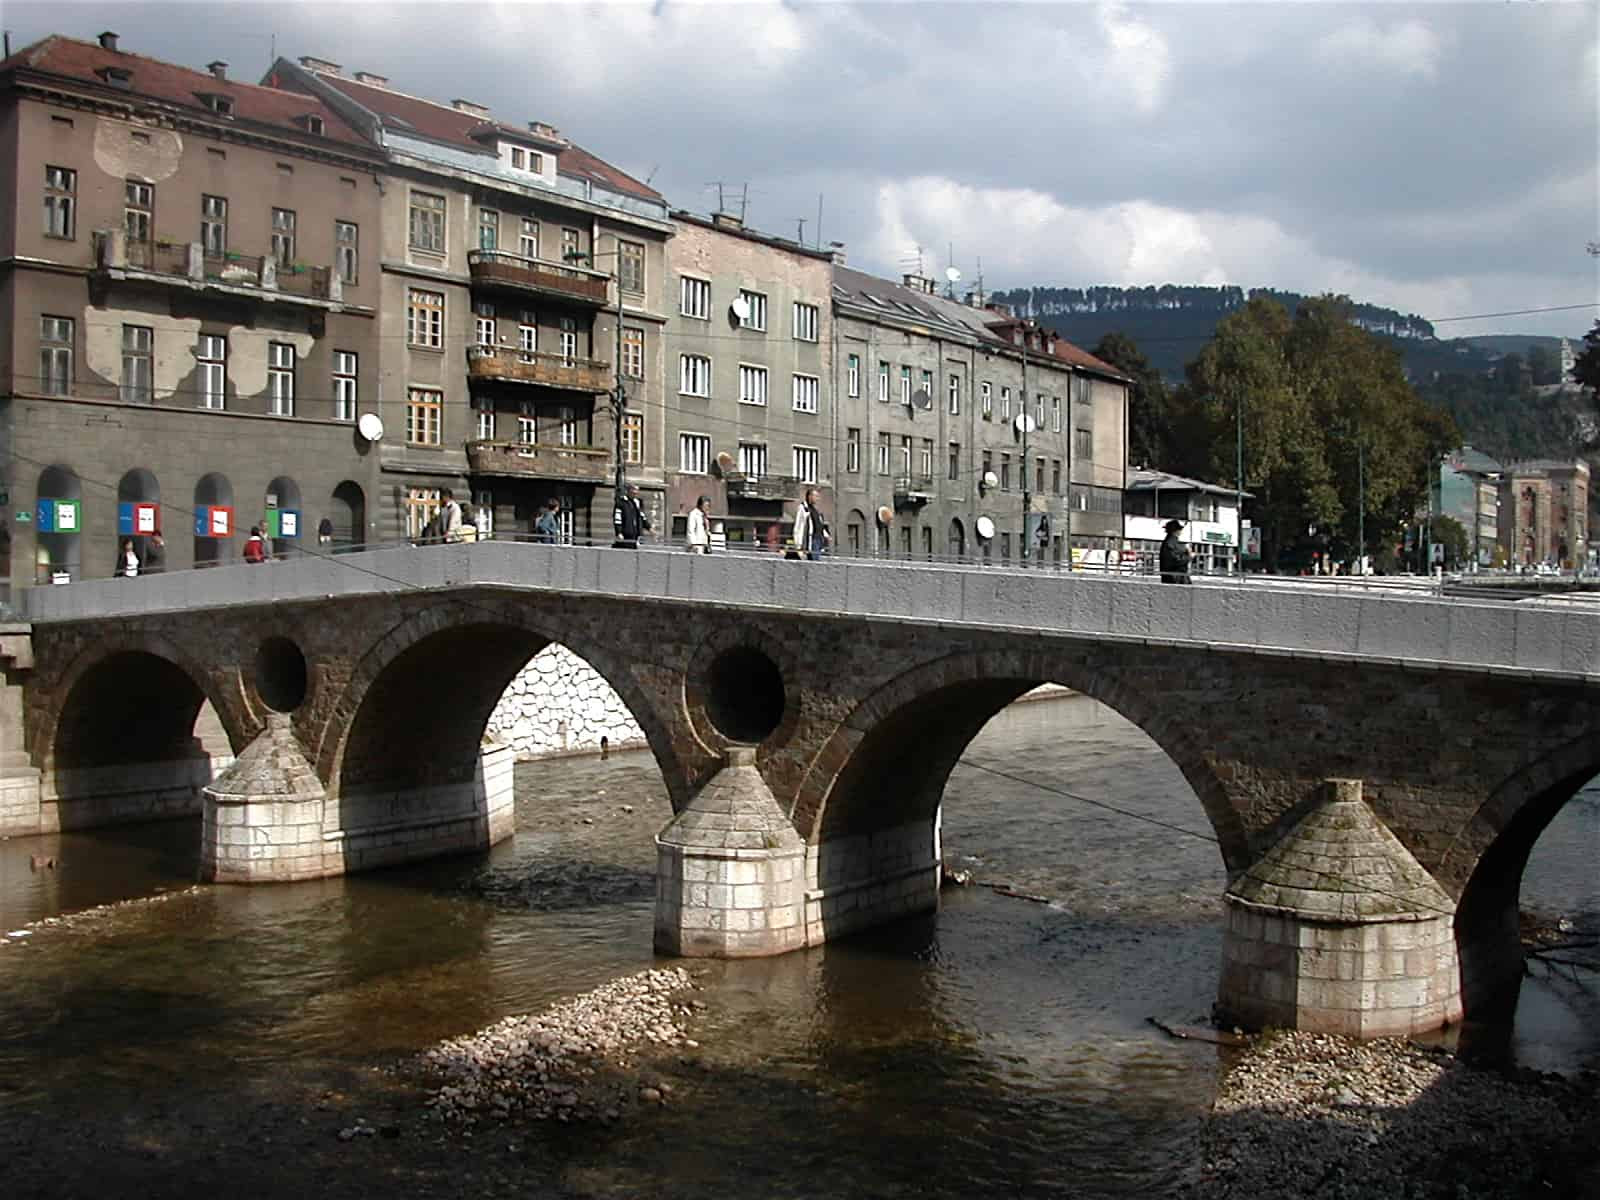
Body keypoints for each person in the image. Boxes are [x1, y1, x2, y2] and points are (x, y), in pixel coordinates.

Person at [792, 488, 830, 561]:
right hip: (812, 539)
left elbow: (819, 524)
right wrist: (798, 544)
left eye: (818, 496)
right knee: (814, 560)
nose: (817, 499)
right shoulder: (803, 508)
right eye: (816, 496)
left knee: (816, 559)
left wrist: (826, 535)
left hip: (819, 539)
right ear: (810, 496)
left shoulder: (815, 509)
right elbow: (798, 526)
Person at [612, 483, 649, 548]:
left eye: (637, 490)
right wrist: (619, 532)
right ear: (629, 491)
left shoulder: (638, 502)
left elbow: (642, 517)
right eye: (634, 490)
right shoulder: (621, 502)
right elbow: (617, 519)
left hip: (636, 536)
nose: (636, 492)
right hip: (626, 535)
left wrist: (649, 528)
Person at [1158, 518, 1191, 584]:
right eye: (1180, 529)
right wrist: (1189, 556)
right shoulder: (1170, 543)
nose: (1181, 531)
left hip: (1174, 577)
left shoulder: (1170, 542)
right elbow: (1176, 561)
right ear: (1176, 531)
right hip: (1175, 578)